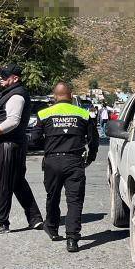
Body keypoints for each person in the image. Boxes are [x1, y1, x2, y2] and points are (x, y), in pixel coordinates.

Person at [36, 82, 100, 252]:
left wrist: (49, 143)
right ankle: (72, 239)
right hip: (74, 162)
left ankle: (52, 228)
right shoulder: (83, 114)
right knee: (75, 201)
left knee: (53, 196)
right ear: (71, 96)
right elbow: (93, 140)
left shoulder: (44, 114)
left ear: (54, 96)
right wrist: (91, 157)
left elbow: (34, 138)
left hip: (52, 161)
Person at [0, 64, 43, 235]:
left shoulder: (17, 95)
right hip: (11, 144)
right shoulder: (12, 92)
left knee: (1, 183)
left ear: (15, 78)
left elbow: (13, 121)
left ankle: (1, 223)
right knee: (17, 181)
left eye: (5, 75)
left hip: (7, 145)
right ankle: (35, 218)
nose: (1, 77)